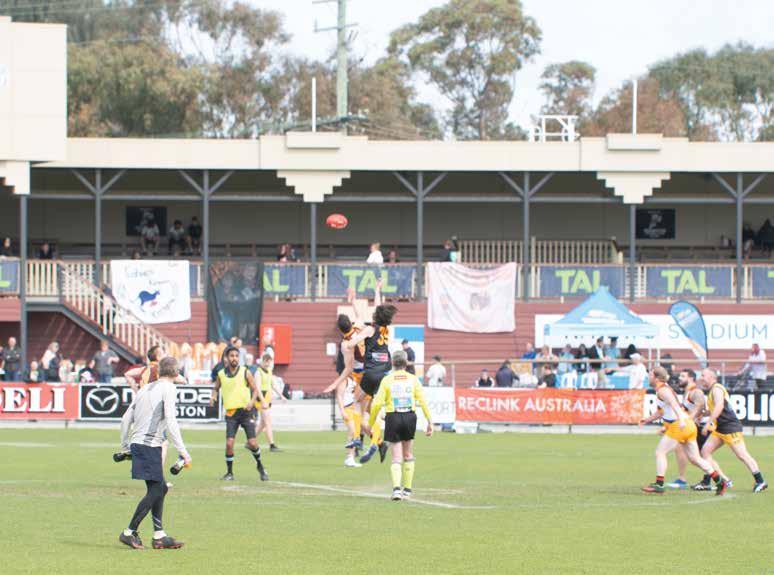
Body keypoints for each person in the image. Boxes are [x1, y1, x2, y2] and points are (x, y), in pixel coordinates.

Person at [117, 356, 190, 550]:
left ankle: (159, 536)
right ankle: (129, 532)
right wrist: (183, 451)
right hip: (150, 445)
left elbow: (125, 419)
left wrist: (125, 446)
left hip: (139, 444)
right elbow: (171, 421)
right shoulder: (169, 389)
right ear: (176, 372)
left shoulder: (144, 388)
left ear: (158, 371)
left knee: (160, 488)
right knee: (157, 489)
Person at [640, 367, 728, 495]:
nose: (648, 377)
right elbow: (662, 410)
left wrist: (681, 420)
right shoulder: (663, 389)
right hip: (688, 425)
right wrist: (648, 419)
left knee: (660, 452)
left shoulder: (663, 390)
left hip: (680, 425)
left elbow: (675, 406)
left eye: (650, 375)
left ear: (656, 378)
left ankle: (659, 484)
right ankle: (720, 481)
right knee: (695, 458)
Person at [369, 350, 433, 501]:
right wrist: (430, 421)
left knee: (396, 457)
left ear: (392, 363)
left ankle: (397, 490)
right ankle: (407, 491)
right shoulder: (413, 379)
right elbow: (422, 400)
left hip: (393, 417)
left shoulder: (387, 380)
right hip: (410, 417)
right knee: (408, 454)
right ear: (406, 363)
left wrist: (371, 422)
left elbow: (377, 403)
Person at [346, 282, 397, 464]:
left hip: (371, 373)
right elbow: (379, 307)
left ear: (375, 316)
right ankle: (377, 442)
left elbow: (351, 344)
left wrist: (352, 338)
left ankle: (357, 438)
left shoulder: (369, 329)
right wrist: (377, 290)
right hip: (385, 373)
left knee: (356, 402)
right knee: (373, 408)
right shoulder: (385, 329)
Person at [694, 368, 767, 493]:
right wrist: (703, 414)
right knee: (705, 452)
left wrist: (708, 423)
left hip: (730, 427)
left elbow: (719, 406)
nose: (701, 378)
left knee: (742, 455)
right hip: (720, 429)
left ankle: (760, 481)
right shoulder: (712, 390)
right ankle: (714, 481)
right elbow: (715, 409)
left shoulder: (717, 388)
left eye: (703, 375)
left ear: (712, 377)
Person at [210, 346, 268, 481]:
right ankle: (230, 473)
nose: (234, 358)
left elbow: (255, 389)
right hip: (231, 414)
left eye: (236, 356)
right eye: (232, 356)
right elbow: (216, 388)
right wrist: (213, 397)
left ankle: (260, 465)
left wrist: (252, 402)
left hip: (246, 412)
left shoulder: (245, 372)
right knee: (229, 443)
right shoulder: (221, 374)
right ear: (226, 358)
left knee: (252, 443)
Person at [254, 353, 286, 453]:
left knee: (262, 424)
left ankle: (250, 441)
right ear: (262, 361)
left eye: (269, 362)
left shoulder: (269, 371)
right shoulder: (258, 372)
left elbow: (273, 385)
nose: (267, 364)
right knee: (268, 422)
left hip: (267, 399)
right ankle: (272, 445)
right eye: (266, 362)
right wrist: (263, 401)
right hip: (261, 399)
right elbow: (257, 388)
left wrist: (281, 396)